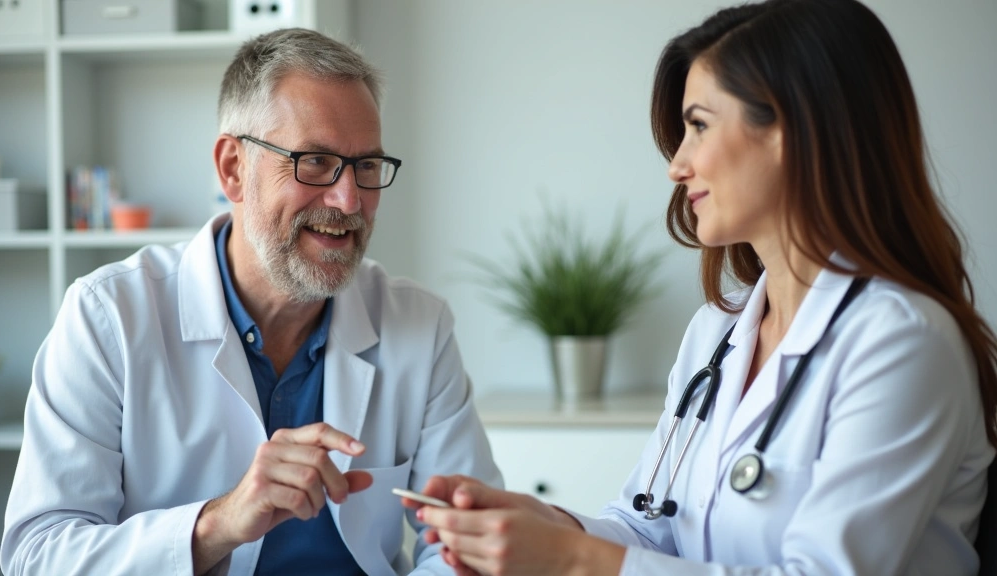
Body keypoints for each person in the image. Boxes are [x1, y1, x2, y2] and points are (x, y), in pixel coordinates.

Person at [406, 0, 997, 574]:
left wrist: (570, 562)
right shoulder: (718, 332)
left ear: (793, 130)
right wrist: (544, 522)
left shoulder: (902, 342)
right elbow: (648, 527)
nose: (676, 164)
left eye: (698, 127)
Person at [1, 28, 502, 576]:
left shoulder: (419, 325)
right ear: (233, 168)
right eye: (315, 161)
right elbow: (39, 555)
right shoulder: (107, 318)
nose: (350, 200)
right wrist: (219, 523)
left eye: (366, 167)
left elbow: (465, 546)